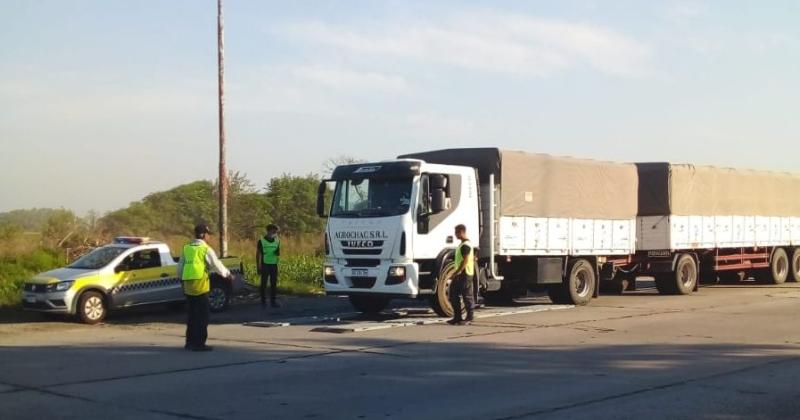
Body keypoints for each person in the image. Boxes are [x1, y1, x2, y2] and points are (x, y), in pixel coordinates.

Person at [177, 224, 232, 351]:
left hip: (188, 287)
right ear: (204, 235)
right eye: (208, 234)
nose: (209, 236)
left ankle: (189, 343)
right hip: (201, 286)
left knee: (192, 316)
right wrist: (227, 274)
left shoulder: (186, 248)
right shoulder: (205, 249)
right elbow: (216, 264)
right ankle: (199, 343)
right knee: (202, 316)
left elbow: (180, 268)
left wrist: (181, 279)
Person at [448, 224, 475, 326]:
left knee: (467, 295)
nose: (455, 235)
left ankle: (469, 317)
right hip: (461, 273)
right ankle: (457, 317)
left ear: (461, 232)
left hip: (465, 273)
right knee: (453, 294)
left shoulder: (466, 245)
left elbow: (465, 260)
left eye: (456, 232)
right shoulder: (462, 244)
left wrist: (458, 271)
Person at [257, 224, 281, 308]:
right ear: (269, 231)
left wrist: (277, 253)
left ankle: (273, 301)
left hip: (274, 264)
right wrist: (258, 266)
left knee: (273, 283)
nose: (275, 233)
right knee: (264, 284)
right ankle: (263, 302)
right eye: (274, 231)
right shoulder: (261, 241)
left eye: (276, 232)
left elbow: (278, 252)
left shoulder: (277, 241)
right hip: (265, 264)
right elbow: (258, 254)